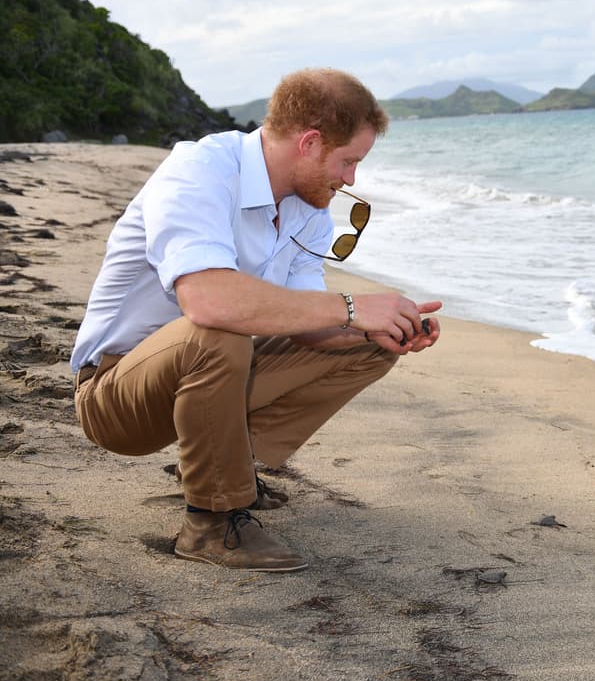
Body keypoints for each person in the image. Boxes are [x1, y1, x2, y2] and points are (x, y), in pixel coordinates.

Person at [69, 68, 440, 573]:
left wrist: (379, 325)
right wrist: (353, 307)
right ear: (309, 142)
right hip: (114, 393)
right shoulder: (199, 171)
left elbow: (308, 322)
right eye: (348, 161)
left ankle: (225, 465)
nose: (350, 178)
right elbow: (207, 302)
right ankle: (211, 523)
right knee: (217, 332)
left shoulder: (309, 206)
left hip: (204, 374)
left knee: (366, 341)